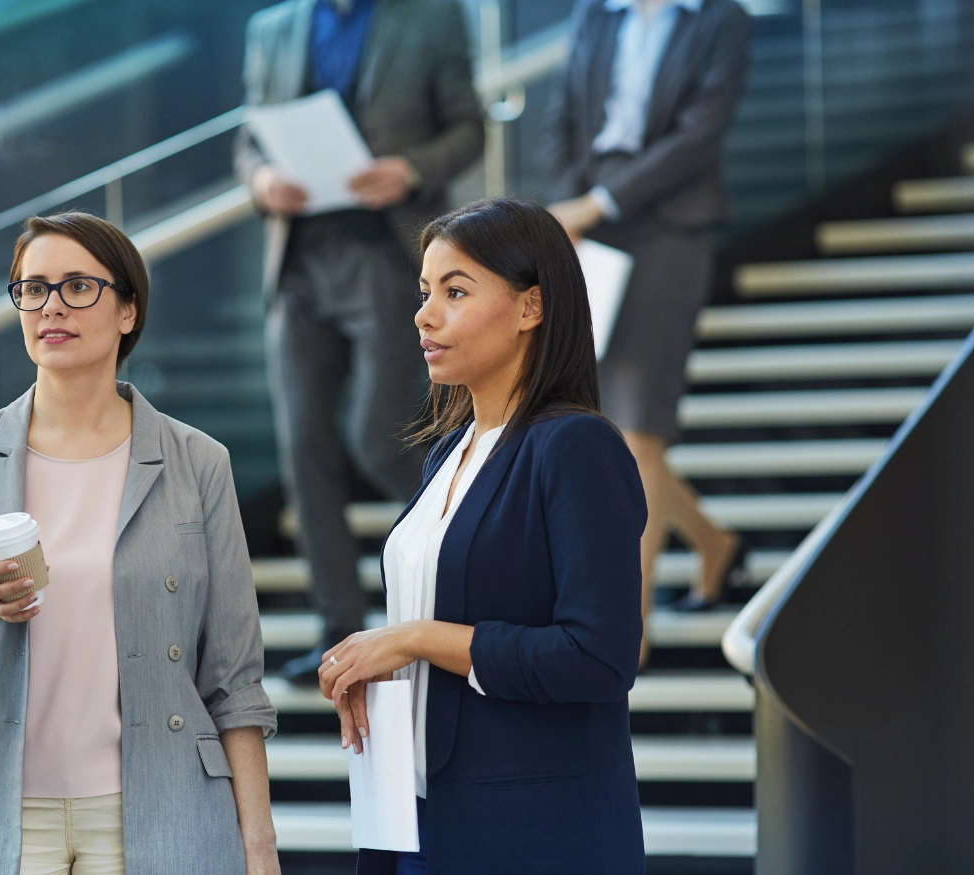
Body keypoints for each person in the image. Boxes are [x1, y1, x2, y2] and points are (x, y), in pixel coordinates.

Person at [0, 212, 279, 875]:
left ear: (127, 310)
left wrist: (259, 848)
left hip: (157, 811)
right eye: (32, 288)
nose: (51, 305)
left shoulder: (198, 462)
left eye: (78, 286)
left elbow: (233, 682)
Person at [317, 198, 649, 873]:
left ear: (531, 307)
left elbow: (601, 655)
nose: (424, 314)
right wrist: (369, 662)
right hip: (417, 813)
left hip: (530, 832)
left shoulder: (575, 446)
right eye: (424, 292)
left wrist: (415, 637)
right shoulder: (450, 453)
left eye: (455, 291)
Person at [234, 0, 486, 683]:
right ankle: (337, 628)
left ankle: (473, 553)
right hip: (298, 262)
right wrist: (260, 179)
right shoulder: (272, 29)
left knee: (378, 435)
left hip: (387, 253)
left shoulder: (431, 18)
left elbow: (471, 130)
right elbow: (250, 137)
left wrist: (410, 169)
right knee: (303, 450)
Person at [546, 0, 752, 663]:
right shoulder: (595, 15)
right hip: (584, 222)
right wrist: (564, 208)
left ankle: (626, 628)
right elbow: (566, 116)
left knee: (638, 426)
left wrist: (600, 201)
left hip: (671, 223)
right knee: (603, 420)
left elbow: (699, 137)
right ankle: (714, 543)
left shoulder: (721, 20)